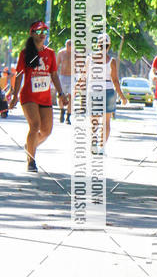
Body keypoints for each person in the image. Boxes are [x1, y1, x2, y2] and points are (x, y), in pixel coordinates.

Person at [9, 21, 67, 171]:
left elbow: (54, 74)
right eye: (39, 31)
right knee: (34, 126)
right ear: (32, 33)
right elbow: (20, 74)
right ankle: (31, 161)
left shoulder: (50, 53)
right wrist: (14, 96)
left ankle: (30, 146)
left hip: (45, 97)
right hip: (29, 96)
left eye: (45, 31)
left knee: (47, 131)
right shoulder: (25, 53)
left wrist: (61, 94)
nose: (42, 34)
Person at [79, 33, 127, 153]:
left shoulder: (89, 59)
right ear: (109, 45)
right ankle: (102, 147)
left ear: (97, 44)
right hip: (108, 90)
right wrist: (122, 97)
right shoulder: (111, 61)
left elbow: (83, 77)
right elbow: (115, 81)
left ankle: (93, 143)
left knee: (94, 120)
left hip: (93, 89)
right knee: (106, 122)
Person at [56, 39, 73, 124]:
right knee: (60, 96)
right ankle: (62, 110)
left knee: (71, 97)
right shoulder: (61, 53)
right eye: (67, 45)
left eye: (70, 45)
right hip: (62, 76)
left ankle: (68, 116)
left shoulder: (76, 54)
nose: (68, 47)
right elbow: (56, 65)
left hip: (72, 77)